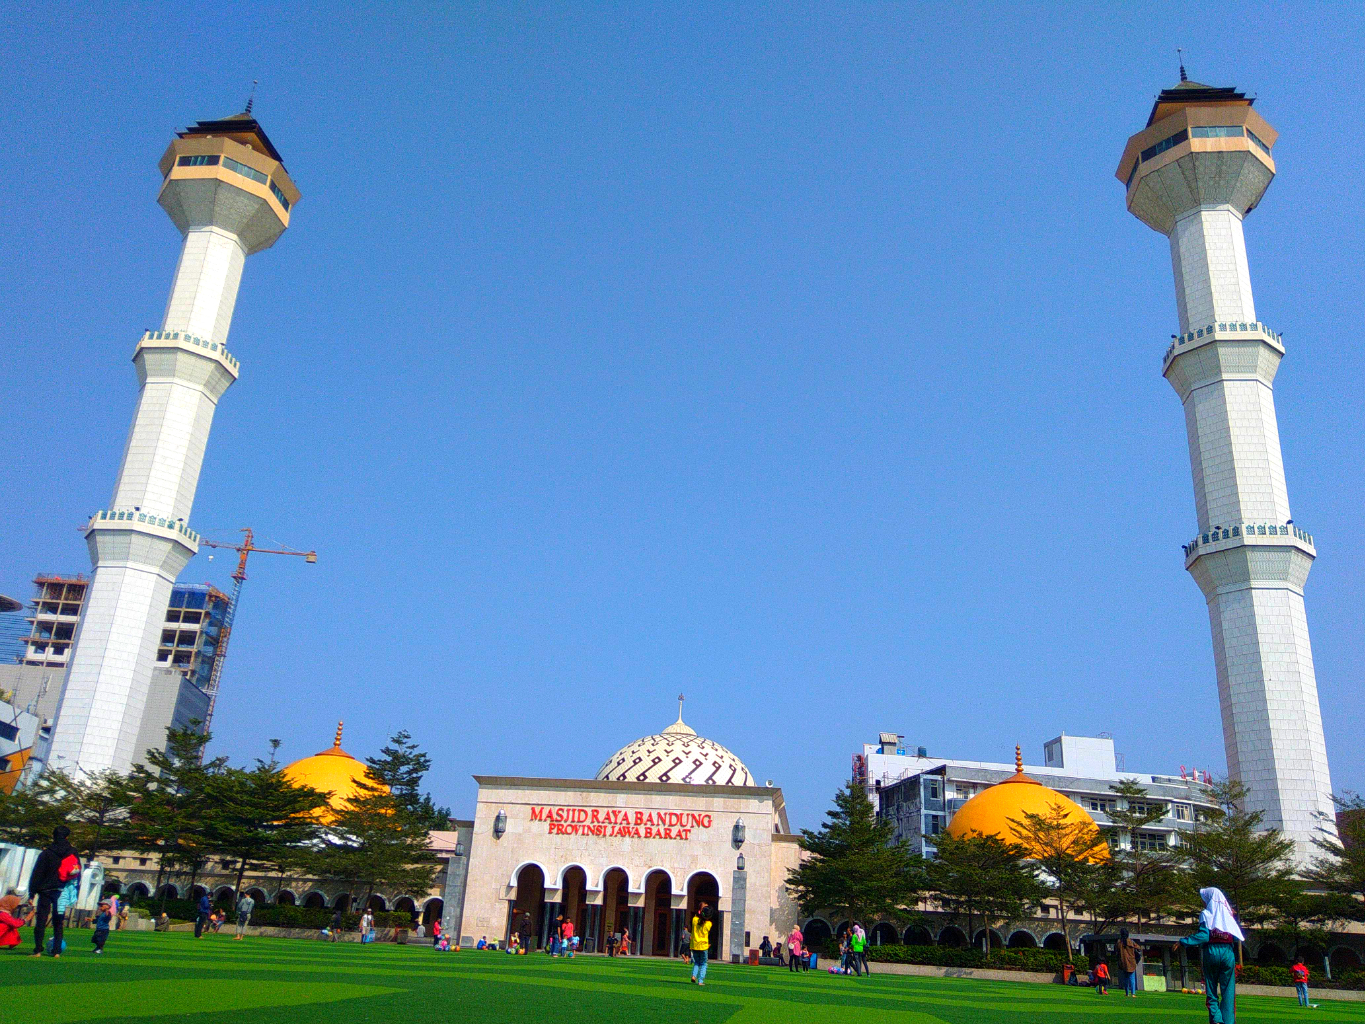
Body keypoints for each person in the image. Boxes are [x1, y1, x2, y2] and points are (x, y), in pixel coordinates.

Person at [1180, 887, 1244, 1024]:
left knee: (1211, 988)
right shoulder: (1228, 914)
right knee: (1228, 991)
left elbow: (1204, 936)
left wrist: (1183, 942)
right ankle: (1228, 1021)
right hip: (1228, 952)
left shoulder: (1206, 913)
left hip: (1211, 951)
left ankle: (1216, 1019)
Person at [29, 825, 80, 957]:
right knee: (58, 922)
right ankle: (57, 951)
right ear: (67, 837)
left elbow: (37, 873)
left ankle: (38, 950)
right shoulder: (72, 852)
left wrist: (32, 892)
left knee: (41, 920)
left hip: (45, 890)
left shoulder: (46, 853)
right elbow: (76, 871)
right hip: (62, 890)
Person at [689, 901, 713, 987]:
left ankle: (693, 976)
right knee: (704, 963)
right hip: (703, 946)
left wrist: (701, 911)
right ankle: (700, 980)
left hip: (695, 945)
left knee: (696, 963)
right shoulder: (709, 924)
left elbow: (697, 917)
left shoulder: (694, 920)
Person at [1117, 928, 1142, 997]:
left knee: (1125, 978)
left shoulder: (1119, 943)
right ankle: (1133, 993)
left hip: (1123, 962)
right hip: (1132, 962)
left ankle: (1127, 993)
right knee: (1132, 978)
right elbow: (1138, 948)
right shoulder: (1131, 942)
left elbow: (1117, 952)